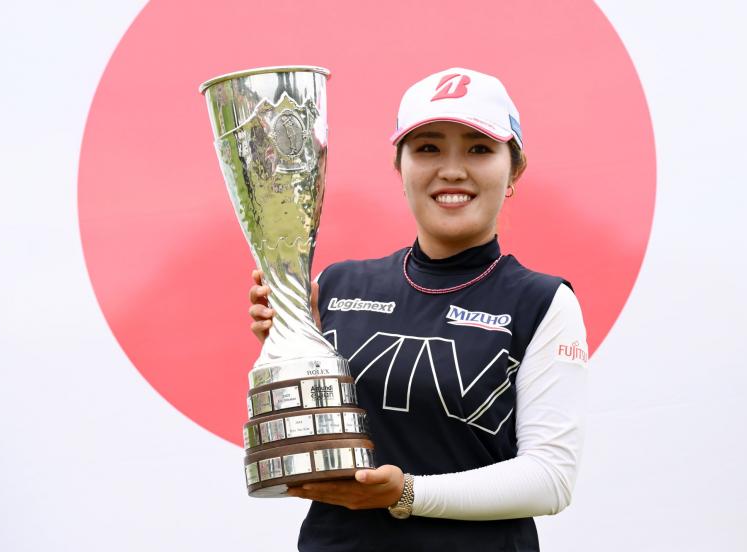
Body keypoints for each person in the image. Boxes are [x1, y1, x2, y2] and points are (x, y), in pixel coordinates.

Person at [248, 67, 588, 552]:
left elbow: (550, 478)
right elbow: (312, 449)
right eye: (428, 148)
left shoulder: (542, 302)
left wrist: (407, 493)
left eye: (478, 148)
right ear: (399, 166)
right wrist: (286, 358)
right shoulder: (334, 285)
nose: (452, 169)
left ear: (514, 170)